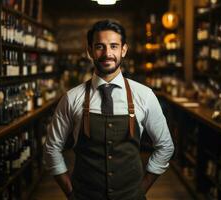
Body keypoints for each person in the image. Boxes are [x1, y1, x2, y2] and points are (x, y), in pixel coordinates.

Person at [44, 19, 174, 200]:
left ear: (124, 50)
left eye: (114, 46)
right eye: (100, 46)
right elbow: (51, 149)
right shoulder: (71, 98)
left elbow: (165, 146)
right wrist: (71, 193)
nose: (108, 53)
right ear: (90, 51)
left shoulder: (145, 96)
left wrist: (141, 190)